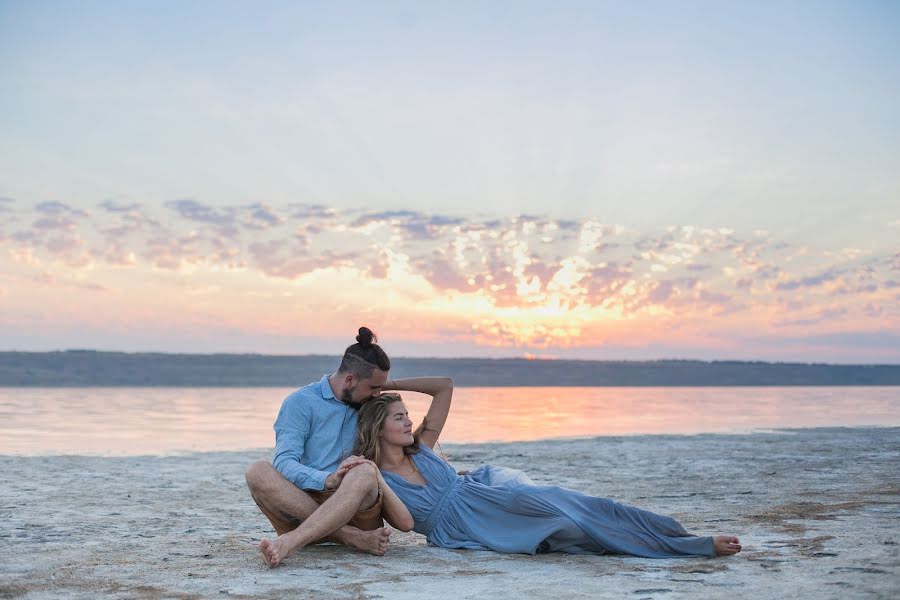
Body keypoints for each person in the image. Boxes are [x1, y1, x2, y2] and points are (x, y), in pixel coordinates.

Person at [349, 378, 743, 560]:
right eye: (397, 418)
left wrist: (385, 387)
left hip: (496, 497)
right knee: (571, 537)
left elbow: (445, 386)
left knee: (584, 508)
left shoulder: (424, 448)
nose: (406, 422)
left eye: (406, 415)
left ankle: (688, 541)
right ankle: (675, 546)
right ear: (377, 429)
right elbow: (402, 525)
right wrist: (376, 474)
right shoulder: (376, 479)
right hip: (465, 531)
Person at [246, 327, 398, 564]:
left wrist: (387, 384)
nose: (379, 394)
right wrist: (326, 479)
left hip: (354, 506)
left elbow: (438, 390)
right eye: (374, 388)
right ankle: (351, 537)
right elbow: (285, 463)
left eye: (382, 388)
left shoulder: (372, 404)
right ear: (349, 380)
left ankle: (291, 542)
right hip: (301, 508)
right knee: (257, 471)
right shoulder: (301, 402)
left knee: (364, 472)